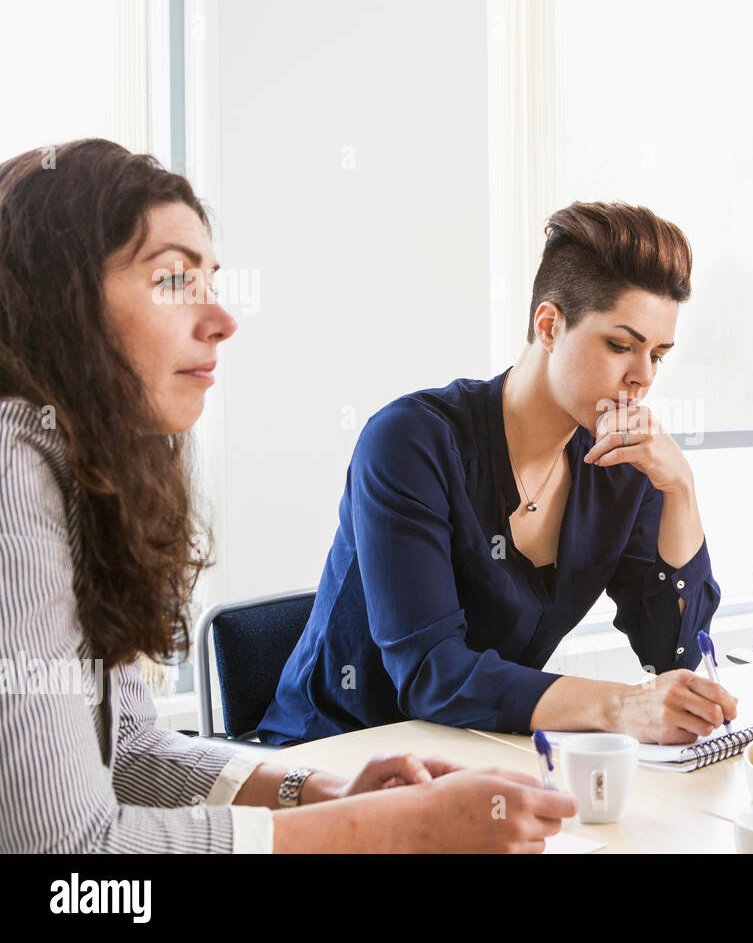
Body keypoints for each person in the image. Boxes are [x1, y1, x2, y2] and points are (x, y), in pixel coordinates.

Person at [0, 139, 575, 852]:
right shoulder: (9, 475)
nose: (222, 319)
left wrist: (316, 792)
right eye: (175, 279)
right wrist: (394, 829)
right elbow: (68, 865)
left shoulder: (73, 470)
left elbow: (134, 749)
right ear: (59, 301)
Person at [260, 201, 736, 746]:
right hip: (333, 758)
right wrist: (619, 706)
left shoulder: (622, 465)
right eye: (620, 346)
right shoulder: (411, 442)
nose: (642, 377)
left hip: (477, 755)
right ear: (550, 325)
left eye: (659, 355)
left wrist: (680, 489)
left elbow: (671, 655)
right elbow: (429, 675)